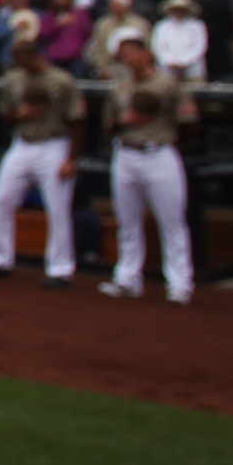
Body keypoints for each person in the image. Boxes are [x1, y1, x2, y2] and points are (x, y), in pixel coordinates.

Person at [96, 34, 197, 304]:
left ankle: (179, 283)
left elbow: (188, 121)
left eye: (131, 53)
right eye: (123, 55)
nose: (127, 59)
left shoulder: (168, 84)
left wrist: (164, 139)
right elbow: (108, 125)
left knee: (172, 221)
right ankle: (127, 279)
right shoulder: (120, 88)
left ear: (146, 54)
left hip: (159, 153)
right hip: (126, 153)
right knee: (127, 221)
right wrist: (126, 121)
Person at [0, 32, 83, 286]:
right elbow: (5, 114)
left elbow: (78, 121)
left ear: (32, 54)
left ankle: (60, 269)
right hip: (22, 144)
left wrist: (71, 158)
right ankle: (1, 260)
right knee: (2, 199)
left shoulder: (61, 80)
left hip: (54, 144)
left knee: (57, 208)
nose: (15, 61)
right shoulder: (14, 79)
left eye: (18, 56)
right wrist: (21, 115)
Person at [149, 0, 208, 80]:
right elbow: (158, 47)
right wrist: (171, 62)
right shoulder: (162, 26)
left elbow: (199, 47)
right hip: (167, 70)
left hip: (193, 70)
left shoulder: (197, 26)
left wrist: (183, 62)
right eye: (176, 9)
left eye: (181, 9)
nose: (178, 12)